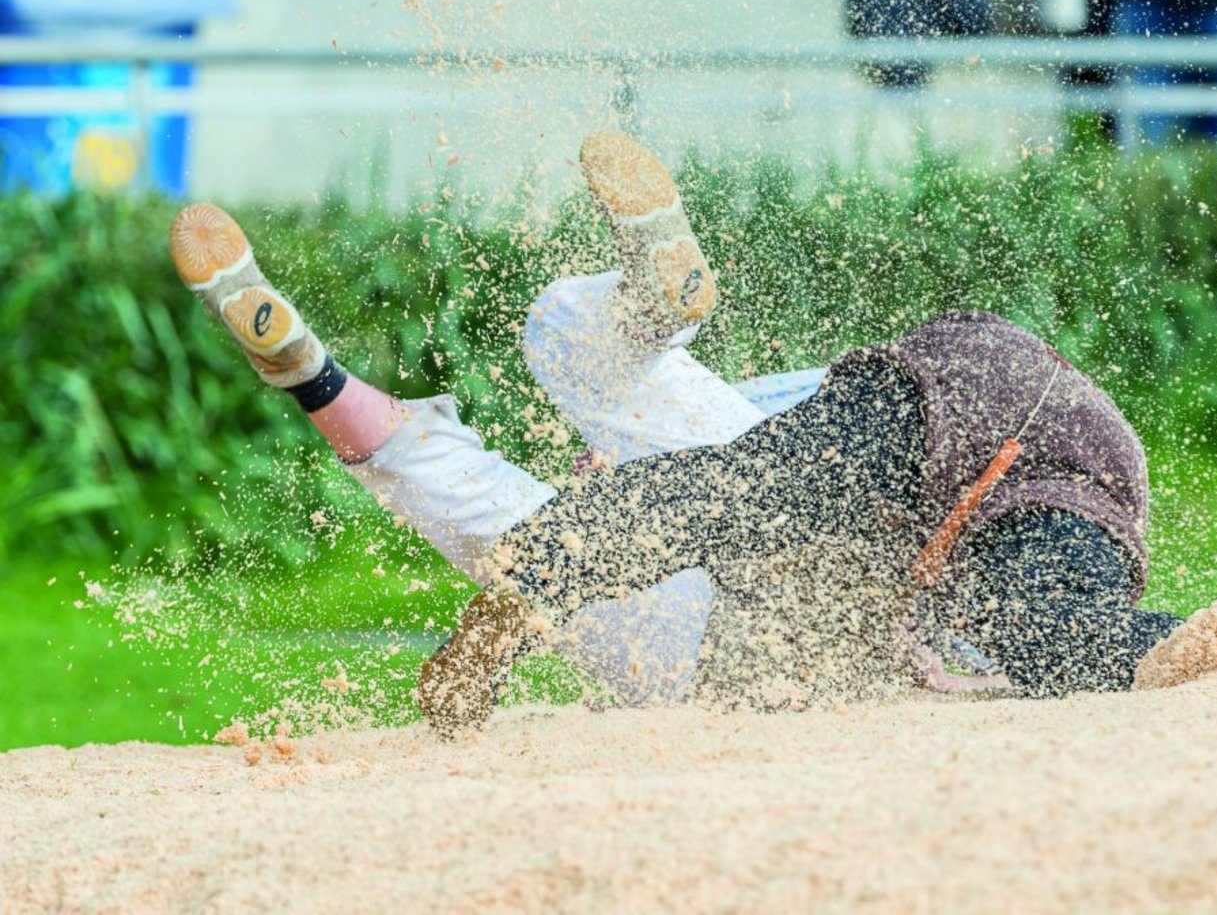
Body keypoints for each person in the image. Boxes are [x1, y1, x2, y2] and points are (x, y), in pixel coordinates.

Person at [170, 131, 996, 708]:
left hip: (745, 591)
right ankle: (645, 317)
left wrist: (634, 490)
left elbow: (753, 459)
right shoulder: (991, 460)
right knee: (534, 528)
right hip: (740, 663)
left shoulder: (877, 395)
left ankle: (310, 373)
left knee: (553, 358)